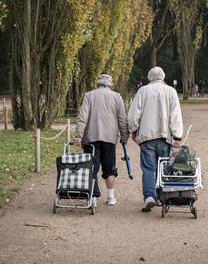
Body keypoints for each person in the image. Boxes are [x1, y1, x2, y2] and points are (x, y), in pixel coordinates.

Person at [128, 66, 183, 212]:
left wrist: (133, 130)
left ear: (149, 78)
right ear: (163, 77)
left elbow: (134, 114)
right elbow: (175, 116)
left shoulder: (143, 91)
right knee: (163, 168)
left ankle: (149, 197)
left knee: (148, 168)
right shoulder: (171, 91)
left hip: (147, 136)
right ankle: (161, 196)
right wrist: (177, 136)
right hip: (164, 136)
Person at [74, 74, 129, 207]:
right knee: (109, 168)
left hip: (91, 138)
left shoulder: (89, 95)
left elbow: (82, 117)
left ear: (98, 83)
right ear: (110, 84)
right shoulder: (117, 97)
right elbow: (122, 119)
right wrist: (124, 137)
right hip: (110, 138)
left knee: (91, 167)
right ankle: (110, 197)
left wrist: (78, 136)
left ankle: (93, 198)